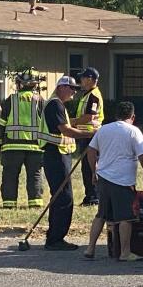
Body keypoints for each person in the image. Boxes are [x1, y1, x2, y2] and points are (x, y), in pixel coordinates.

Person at [84, 101, 143, 262]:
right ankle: (125, 252)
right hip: (123, 180)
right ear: (132, 116)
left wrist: (93, 171)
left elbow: (91, 150)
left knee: (101, 214)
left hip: (103, 177)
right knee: (126, 217)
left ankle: (90, 248)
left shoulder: (104, 129)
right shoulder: (133, 131)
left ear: (116, 115)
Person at [38, 76, 97, 250]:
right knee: (63, 197)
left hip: (59, 155)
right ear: (61, 87)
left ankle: (55, 237)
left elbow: (65, 125)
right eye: (71, 88)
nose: (74, 92)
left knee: (61, 196)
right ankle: (55, 239)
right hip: (55, 155)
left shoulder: (57, 105)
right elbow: (65, 130)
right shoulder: (55, 104)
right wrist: (90, 134)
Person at [0, 69, 45, 209]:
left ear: (20, 83)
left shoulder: (10, 100)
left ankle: (9, 204)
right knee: (35, 176)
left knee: (10, 176)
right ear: (36, 84)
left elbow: (1, 124)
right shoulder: (41, 102)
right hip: (36, 147)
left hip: (12, 147)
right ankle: (35, 203)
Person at [72, 67, 105, 206]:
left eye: (83, 78)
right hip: (85, 135)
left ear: (90, 79)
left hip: (92, 135)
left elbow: (89, 116)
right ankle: (89, 195)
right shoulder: (87, 94)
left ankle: (94, 196)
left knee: (91, 166)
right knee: (85, 167)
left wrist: (72, 122)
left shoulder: (94, 95)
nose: (81, 81)